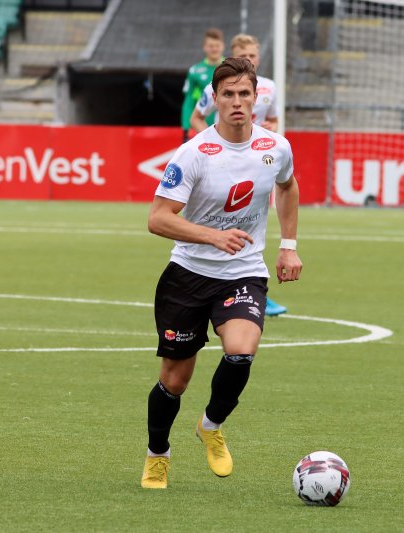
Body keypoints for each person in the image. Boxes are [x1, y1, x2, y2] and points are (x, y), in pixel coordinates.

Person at [141, 57, 302, 489]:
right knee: (174, 381)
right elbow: (158, 218)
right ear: (214, 99)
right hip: (188, 274)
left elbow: (287, 186)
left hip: (244, 272)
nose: (236, 102)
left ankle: (211, 424)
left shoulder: (276, 147)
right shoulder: (194, 153)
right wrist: (210, 236)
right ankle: (158, 453)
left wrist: (288, 246)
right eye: (227, 94)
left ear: (256, 99)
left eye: (243, 94)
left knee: (241, 351)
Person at [190, 34, 287, 317]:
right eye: (245, 57)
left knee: (255, 223)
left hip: (257, 161)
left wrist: (271, 129)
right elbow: (197, 117)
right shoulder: (219, 88)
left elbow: (275, 121)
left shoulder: (269, 87)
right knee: (220, 222)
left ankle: (253, 288)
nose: (251, 62)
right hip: (223, 164)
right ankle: (224, 285)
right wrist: (211, 146)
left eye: (254, 57)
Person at [180, 27, 224, 144]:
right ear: (204, 47)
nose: (214, 49)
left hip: (227, 127)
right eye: (211, 46)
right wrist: (186, 127)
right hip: (201, 127)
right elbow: (189, 100)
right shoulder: (195, 71)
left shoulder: (231, 68)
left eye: (217, 45)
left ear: (222, 46)